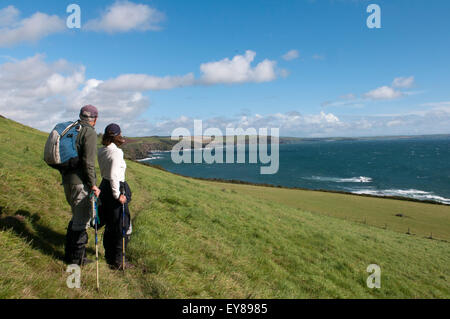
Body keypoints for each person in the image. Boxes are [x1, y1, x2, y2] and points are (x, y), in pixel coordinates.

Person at [62, 105, 101, 266]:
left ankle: (70, 256)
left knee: (76, 218)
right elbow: (88, 162)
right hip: (80, 183)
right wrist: (93, 185)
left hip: (67, 180)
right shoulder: (89, 132)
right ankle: (75, 261)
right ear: (95, 119)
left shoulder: (73, 129)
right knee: (81, 223)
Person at [97, 123, 133, 270]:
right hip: (115, 188)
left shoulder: (102, 150)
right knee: (121, 226)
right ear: (117, 135)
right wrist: (118, 195)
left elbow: (108, 174)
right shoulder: (116, 152)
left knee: (111, 225)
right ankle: (118, 261)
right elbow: (114, 175)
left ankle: (110, 256)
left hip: (104, 186)